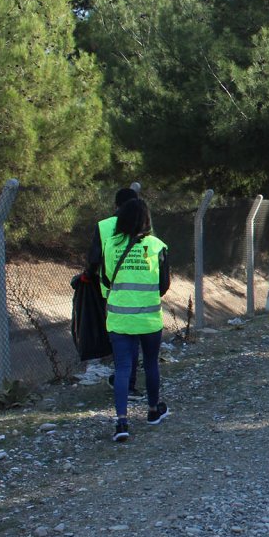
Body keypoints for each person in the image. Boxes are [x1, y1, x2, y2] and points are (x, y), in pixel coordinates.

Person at [100, 198, 171, 442]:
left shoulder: (110, 245)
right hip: (149, 318)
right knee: (151, 364)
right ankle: (153, 411)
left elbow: (107, 277)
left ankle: (121, 422)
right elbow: (164, 285)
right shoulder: (157, 246)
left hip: (119, 318)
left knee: (122, 368)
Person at [82, 186, 144, 401]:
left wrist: (87, 276)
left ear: (116, 205)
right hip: (140, 290)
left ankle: (123, 381)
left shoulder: (104, 226)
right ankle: (129, 382)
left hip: (110, 292)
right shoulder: (144, 227)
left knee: (119, 338)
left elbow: (94, 258)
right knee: (133, 337)